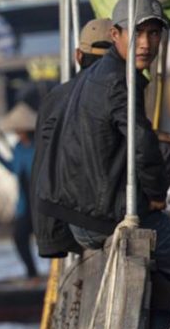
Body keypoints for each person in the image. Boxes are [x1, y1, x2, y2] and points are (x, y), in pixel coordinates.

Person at [33, 0, 170, 303]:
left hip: (79, 218)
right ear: (116, 35)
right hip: (101, 220)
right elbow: (142, 146)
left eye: (153, 33)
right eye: (137, 33)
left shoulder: (94, 76)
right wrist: (157, 196)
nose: (146, 43)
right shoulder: (121, 81)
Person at [30, 18, 112, 258]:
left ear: (78, 56)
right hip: (81, 227)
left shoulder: (55, 97)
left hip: (51, 229)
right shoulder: (108, 93)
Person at [0, 102, 39, 278]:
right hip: (24, 206)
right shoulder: (18, 148)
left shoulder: (38, 147)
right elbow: (13, 168)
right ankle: (31, 272)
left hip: (40, 203)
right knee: (19, 238)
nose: (17, 133)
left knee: (48, 241)